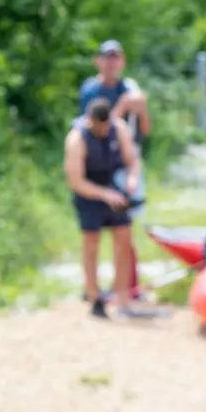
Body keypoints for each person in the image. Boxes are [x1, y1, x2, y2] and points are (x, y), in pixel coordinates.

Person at [78, 39, 150, 300]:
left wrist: (140, 109)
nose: (111, 62)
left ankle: (128, 287)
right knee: (93, 235)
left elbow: (144, 131)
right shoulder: (91, 90)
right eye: (106, 57)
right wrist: (122, 106)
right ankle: (93, 289)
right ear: (99, 61)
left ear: (122, 60)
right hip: (99, 169)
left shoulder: (129, 87)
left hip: (123, 165)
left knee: (125, 230)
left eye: (115, 57)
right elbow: (100, 125)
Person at [64, 98, 145, 319]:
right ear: (90, 121)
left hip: (115, 188)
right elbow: (76, 182)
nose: (103, 130)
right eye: (99, 126)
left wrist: (132, 179)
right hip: (89, 193)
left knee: (124, 242)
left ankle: (122, 296)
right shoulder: (76, 139)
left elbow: (133, 160)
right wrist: (103, 194)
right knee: (91, 245)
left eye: (106, 126)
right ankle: (94, 297)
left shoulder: (119, 129)